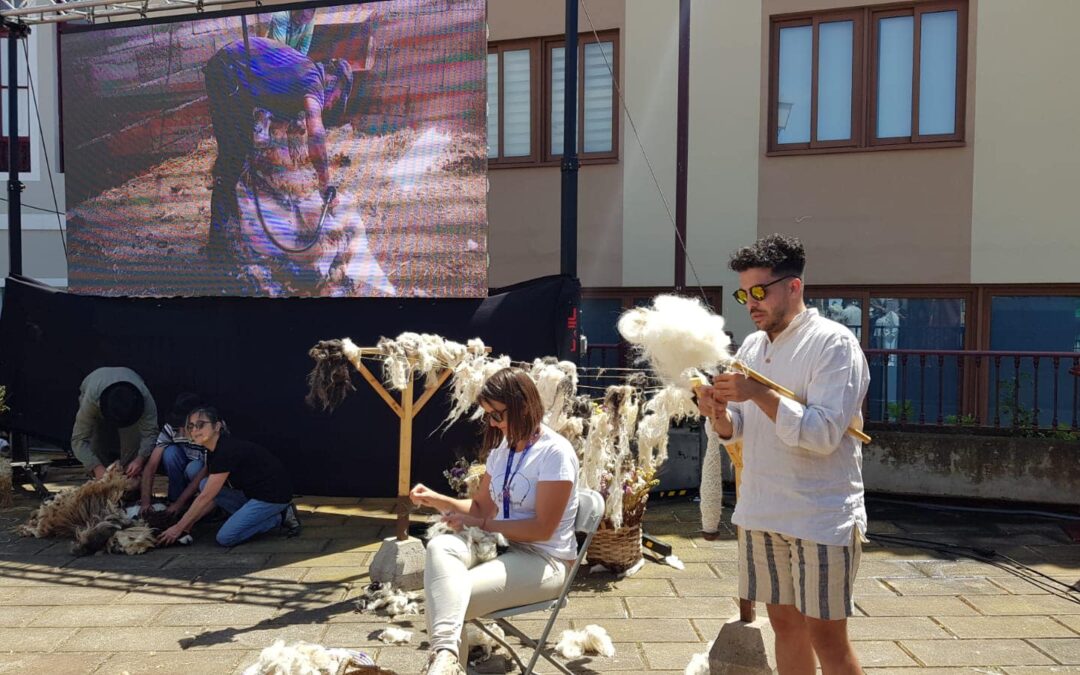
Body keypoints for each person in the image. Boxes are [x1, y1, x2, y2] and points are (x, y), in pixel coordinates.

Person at [696, 234, 869, 675]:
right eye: (744, 293)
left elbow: (825, 434)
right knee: (784, 625)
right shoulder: (753, 347)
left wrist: (759, 393)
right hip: (762, 510)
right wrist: (717, 413)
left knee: (827, 638)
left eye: (760, 291)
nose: (750, 303)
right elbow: (736, 431)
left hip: (821, 514)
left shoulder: (834, 343)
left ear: (794, 287)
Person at [409, 368, 579, 675]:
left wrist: (484, 525)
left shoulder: (555, 453)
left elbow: (541, 529)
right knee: (441, 546)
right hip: (504, 547)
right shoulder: (504, 449)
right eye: (488, 415)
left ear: (523, 406)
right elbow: (481, 507)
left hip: (546, 560)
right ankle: (447, 658)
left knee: (446, 597)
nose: (492, 423)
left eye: (498, 415)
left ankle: (445, 663)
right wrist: (436, 499)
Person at [202, 37, 353, 263]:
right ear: (333, 80)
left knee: (241, 153)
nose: (331, 103)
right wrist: (324, 184)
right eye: (337, 96)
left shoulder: (302, 74)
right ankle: (219, 245)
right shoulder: (314, 81)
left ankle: (235, 230)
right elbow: (316, 135)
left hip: (230, 69)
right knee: (233, 159)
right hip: (227, 70)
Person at [158, 406, 301, 547]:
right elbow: (212, 497)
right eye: (191, 426)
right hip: (252, 494)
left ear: (217, 426)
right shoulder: (212, 450)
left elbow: (206, 497)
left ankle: (279, 517)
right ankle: (258, 515)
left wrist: (178, 528)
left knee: (226, 537)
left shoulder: (225, 450)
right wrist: (187, 525)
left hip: (273, 497)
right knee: (204, 484)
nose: (195, 430)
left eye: (201, 425)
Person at [70, 367, 159, 480]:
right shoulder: (91, 399)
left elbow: (151, 434)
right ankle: (99, 480)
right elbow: (79, 440)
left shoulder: (144, 398)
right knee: (96, 443)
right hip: (95, 388)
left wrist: (139, 460)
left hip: (130, 406)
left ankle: (129, 479)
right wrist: (96, 467)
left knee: (132, 445)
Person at [139, 392, 206, 517]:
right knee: (169, 453)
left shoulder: (210, 429)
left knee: (194, 469)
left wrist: (180, 504)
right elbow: (151, 465)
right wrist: (145, 503)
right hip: (183, 460)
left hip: (202, 469)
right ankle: (174, 498)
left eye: (185, 425)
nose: (180, 431)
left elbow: (206, 471)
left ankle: (193, 503)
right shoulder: (171, 428)